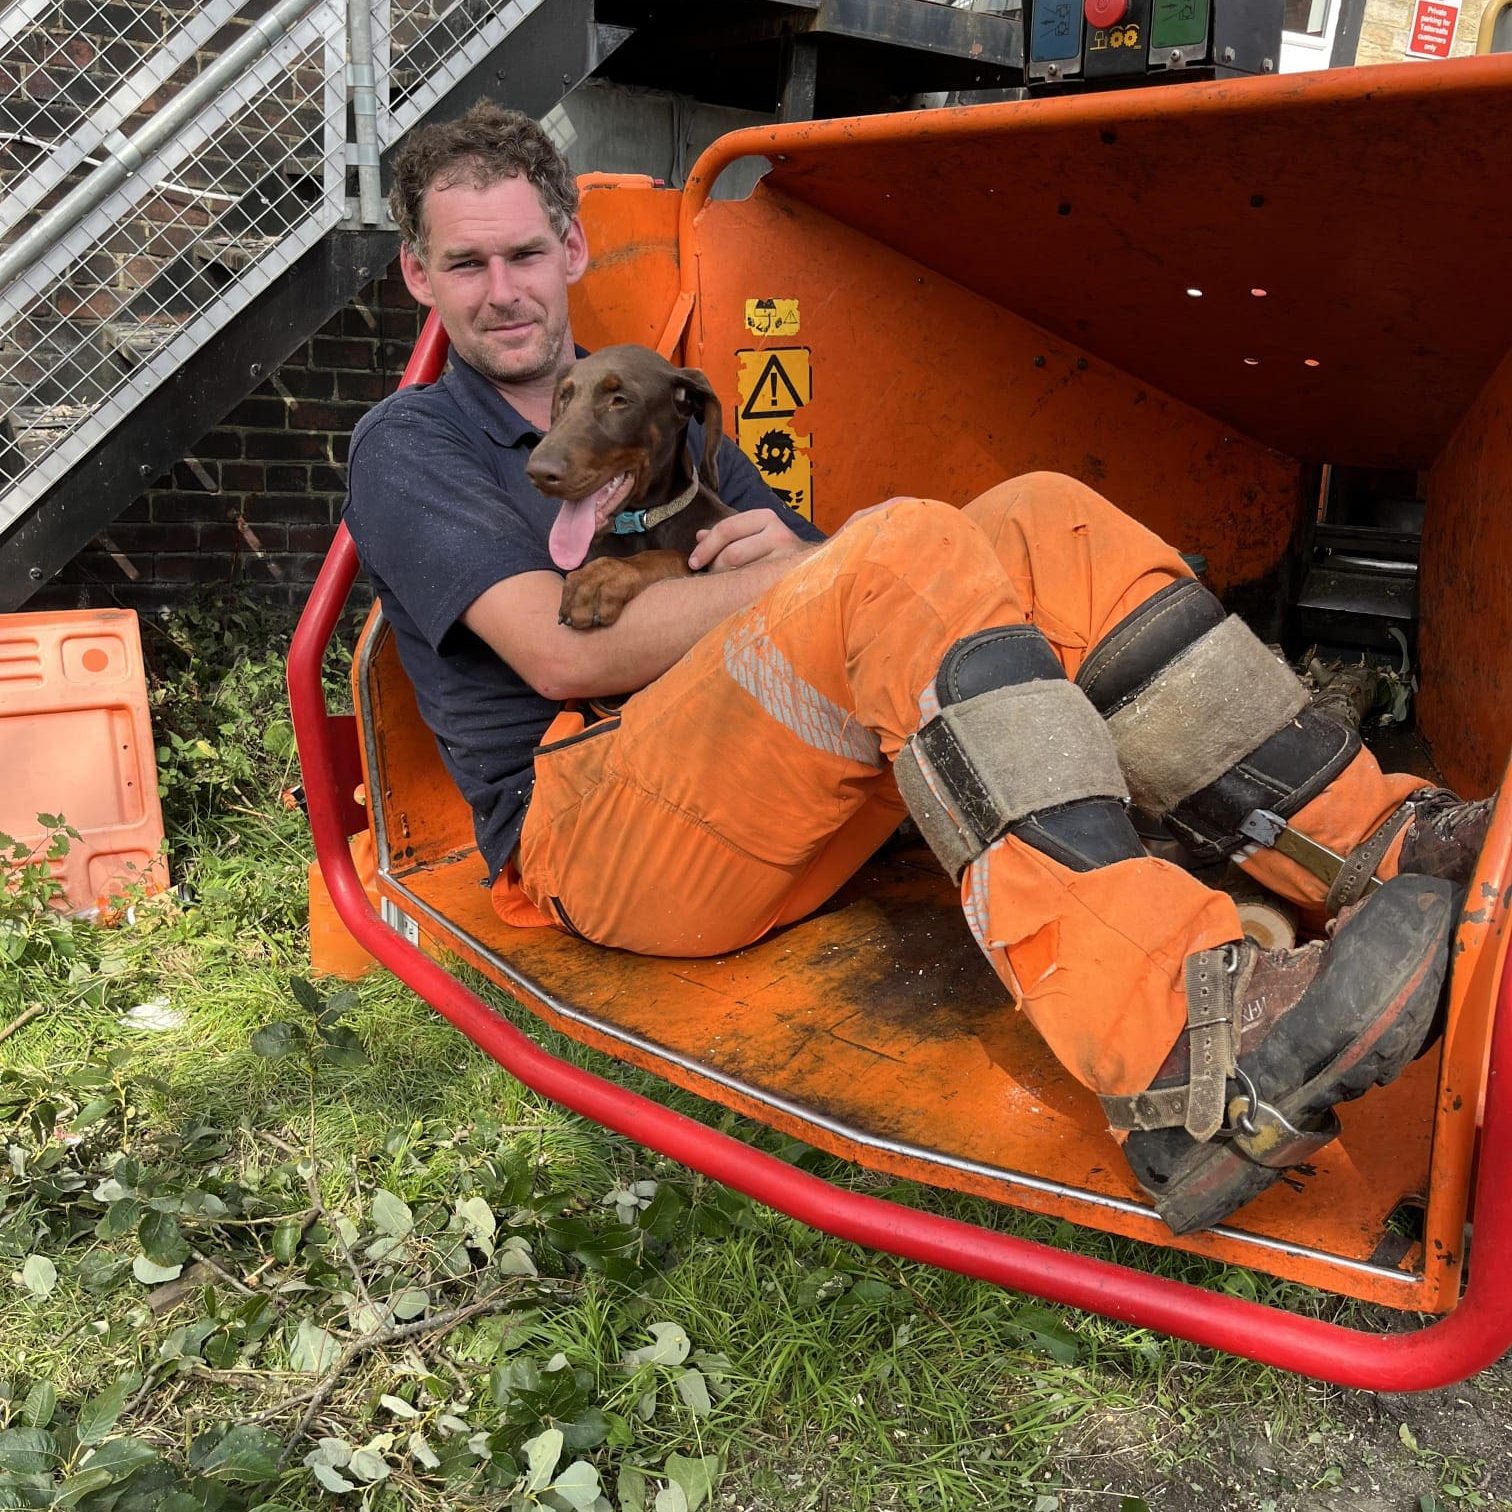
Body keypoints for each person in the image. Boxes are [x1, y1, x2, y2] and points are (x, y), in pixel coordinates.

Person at [343, 103, 1491, 1235]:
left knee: (1040, 520)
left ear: (572, 247)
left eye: (527, 253)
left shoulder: (649, 407)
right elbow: (552, 648)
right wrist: (815, 567)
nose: (503, 290)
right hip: (589, 832)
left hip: (754, 798)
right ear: (418, 276)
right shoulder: (411, 446)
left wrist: (808, 563)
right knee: (890, 549)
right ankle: (1183, 1060)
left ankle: (1377, 846)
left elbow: (811, 584)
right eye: (468, 262)